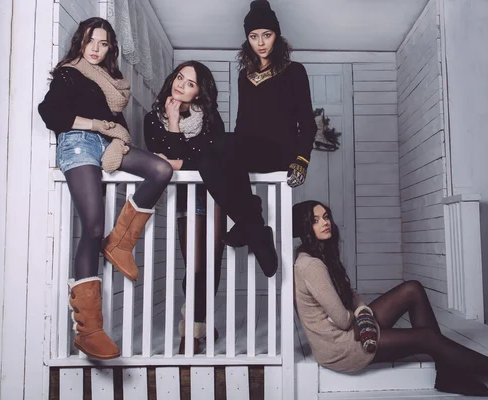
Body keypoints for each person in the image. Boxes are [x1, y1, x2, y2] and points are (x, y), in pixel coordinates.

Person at [292, 200, 488, 396]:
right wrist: (357, 317)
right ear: (305, 228)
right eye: (315, 220)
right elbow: (340, 320)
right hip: (341, 347)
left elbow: (350, 296)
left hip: (351, 328)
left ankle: (447, 373)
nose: (325, 222)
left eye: (326, 216)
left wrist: (362, 310)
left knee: (412, 289)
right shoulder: (310, 265)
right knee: (427, 338)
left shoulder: (322, 256)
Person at [38, 17, 173, 360]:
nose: (96, 50)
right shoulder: (70, 72)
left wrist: (118, 139)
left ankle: (120, 243)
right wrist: (100, 125)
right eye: (90, 42)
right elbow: (51, 113)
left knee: (159, 169)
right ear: (80, 43)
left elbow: (118, 126)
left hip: (105, 143)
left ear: (110, 48)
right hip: (78, 143)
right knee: (93, 226)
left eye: (103, 44)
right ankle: (89, 331)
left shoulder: (113, 83)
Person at [199, 0, 317, 278]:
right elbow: (242, 123)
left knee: (222, 146)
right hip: (249, 148)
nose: (261, 43)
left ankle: (247, 226)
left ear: (277, 35)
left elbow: (308, 123)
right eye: (254, 36)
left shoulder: (294, 71)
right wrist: (230, 153)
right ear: (247, 39)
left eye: (267, 35)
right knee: (207, 158)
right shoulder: (245, 76)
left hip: (281, 151)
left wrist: (302, 160)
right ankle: (256, 229)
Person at [144, 61, 225, 354]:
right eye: (180, 78)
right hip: (186, 197)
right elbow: (169, 162)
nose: (181, 85)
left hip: (216, 192)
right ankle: (192, 328)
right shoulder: (153, 119)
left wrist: (181, 161)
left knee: (213, 261)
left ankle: (198, 324)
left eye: (190, 83)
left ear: (199, 92)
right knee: (195, 264)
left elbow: (213, 159)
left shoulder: (210, 118)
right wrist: (174, 120)